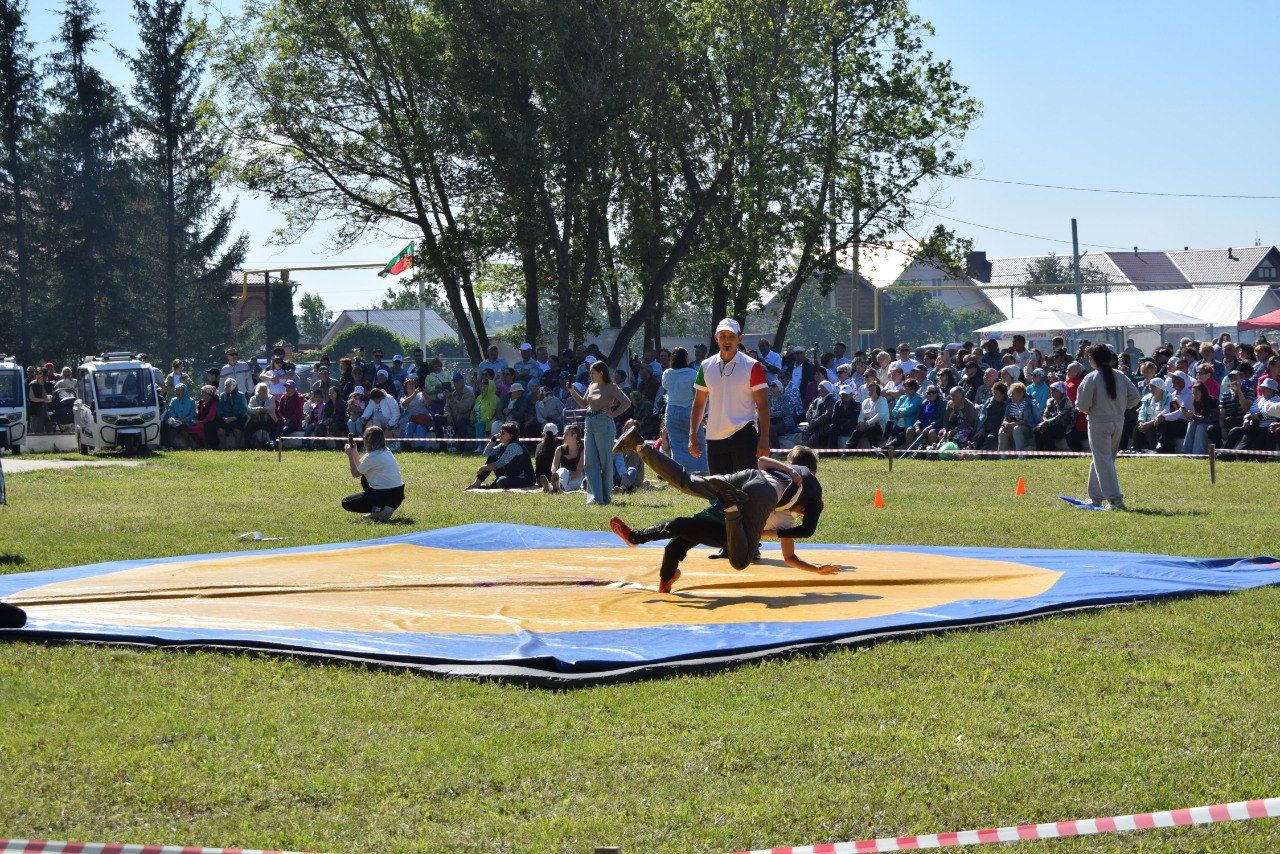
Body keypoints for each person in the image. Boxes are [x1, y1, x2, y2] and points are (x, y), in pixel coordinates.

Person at [609, 426, 834, 594]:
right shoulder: (797, 494)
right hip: (730, 519)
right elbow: (804, 534)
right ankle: (730, 507)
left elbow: (763, 461)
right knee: (738, 560)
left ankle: (640, 445)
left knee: (688, 485)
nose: (800, 512)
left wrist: (815, 569)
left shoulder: (787, 494)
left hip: (742, 486)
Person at [1075, 343, 1141, 510]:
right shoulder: (1120, 375)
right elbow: (1136, 397)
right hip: (1118, 421)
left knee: (1103, 460)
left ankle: (1115, 500)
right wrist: (1120, 408)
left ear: (1093, 359)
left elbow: (1082, 404)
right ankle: (1095, 498)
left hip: (1098, 423)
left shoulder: (1091, 377)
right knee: (1103, 459)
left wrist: (1089, 408)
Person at [569, 361, 631, 505]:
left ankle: (605, 498)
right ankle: (594, 498)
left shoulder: (611, 387)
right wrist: (573, 391)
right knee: (590, 462)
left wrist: (613, 414)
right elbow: (584, 404)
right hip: (589, 423)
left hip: (604, 425)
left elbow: (626, 402)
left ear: (601, 373)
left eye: (592, 372)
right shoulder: (591, 385)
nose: (590, 375)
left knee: (605, 462)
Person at [341, 425, 404, 522]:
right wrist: (354, 452)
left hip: (383, 494)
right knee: (365, 479)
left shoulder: (371, 457)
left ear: (368, 441)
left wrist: (350, 455)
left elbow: (355, 473)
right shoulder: (387, 451)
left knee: (346, 502)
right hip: (397, 494)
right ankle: (385, 508)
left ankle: (378, 509)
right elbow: (361, 466)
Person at [467, 422, 536, 490]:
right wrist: (493, 439)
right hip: (512, 474)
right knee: (492, 458)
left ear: (511, 435)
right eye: (500, 432)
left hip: (525, 479)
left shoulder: (514, 446)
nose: (500, 435)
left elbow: (499, 463)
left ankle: (494, 484)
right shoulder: (503, 444)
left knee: (501, 481)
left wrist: (482, 468)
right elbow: (487, 453)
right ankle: (477, 483)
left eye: (503, 433)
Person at [548, 422, 586, 492]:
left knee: (577, 482)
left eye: (567, 434)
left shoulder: (582, 450)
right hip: (562, 475)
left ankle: (554, 488)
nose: (563, 436)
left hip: (576, 476)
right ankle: (559, 486)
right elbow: (554, 466)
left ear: (574, 436)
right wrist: (555, 475)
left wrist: (567, 478)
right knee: (563, 470)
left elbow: (578, 471)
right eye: (564, 434)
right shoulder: (560, 449)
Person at [160, 384, 195, 450]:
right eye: (177, 390)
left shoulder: (191, 401)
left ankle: (190, 446)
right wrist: (175, 417)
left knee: (184, 430)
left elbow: (192, 414)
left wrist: (185, 420)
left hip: (187, 421)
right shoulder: (173, 400)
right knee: (173, 429)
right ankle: (170, 446)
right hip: (175, 420)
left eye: (180, 390)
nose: (178, 392)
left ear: (184, 391)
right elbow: (170, 410)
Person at [217, 379, 249, 449]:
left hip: (237, 417)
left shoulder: (241, 395)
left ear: (233, 386)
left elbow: (244, 409)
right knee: (220, 430)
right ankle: (223, 447)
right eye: (225, 385)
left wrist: (233, 418)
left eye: (228, 385)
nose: (226, 387)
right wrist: (224, 418)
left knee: (237, 430)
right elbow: (220, 409)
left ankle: (237, 447)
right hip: (225, 418)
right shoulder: (223, 395)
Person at [190, 385, 219, 449]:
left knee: (199, 427)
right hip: (202, 421)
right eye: (201, 392)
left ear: (209, 393)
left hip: (211, 422)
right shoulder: (202, 402)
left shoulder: (214, 402)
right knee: (191, 427)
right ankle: (200, 444)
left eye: (204, 392)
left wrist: (201, 421)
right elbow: (199, 413)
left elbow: (211, 416)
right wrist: (197, 419)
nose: (202, 394)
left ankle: (206, 444)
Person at [534, 422, 561, 487]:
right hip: (554, 477)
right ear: (556, 434)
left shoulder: (538, 446)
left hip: (539, 480)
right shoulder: (559, 447)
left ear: (543, 434)